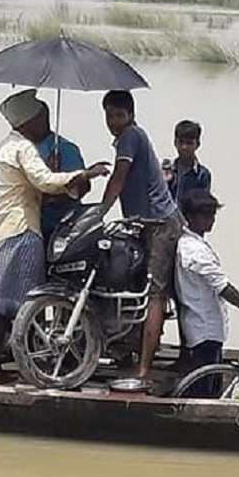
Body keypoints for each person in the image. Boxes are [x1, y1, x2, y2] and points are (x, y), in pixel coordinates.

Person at [0, 89, 108, 384]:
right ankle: (28, 367)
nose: (46, 122)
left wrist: (65, 179)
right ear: (30, 121)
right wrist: (86, 174)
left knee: (0, 301)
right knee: (32, 303)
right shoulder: (25, 148)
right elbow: (44, 181)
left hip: (3, 230)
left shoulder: (6, 147)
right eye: (41, 116)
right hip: (24, 229)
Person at [98, 90, 180, 380]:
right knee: (134, 284)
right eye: (109, 115)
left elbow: (119, 177)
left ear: (130, 115)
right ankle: (127, 349)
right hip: (144, 223)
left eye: (119, 115)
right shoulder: (126, 137)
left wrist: (98, 212)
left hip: (160, 224)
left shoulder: (131, 136)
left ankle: (144, 368)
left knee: (155, 293)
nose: (113, 122)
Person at [175, 190, 239, 396]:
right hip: (203, 329)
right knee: (202, 391)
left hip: (208, 328)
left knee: (210, 386)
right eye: (206, 215)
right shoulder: (193, 250)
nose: (211, 220)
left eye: (212, 215)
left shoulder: (196, 245)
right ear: (191, 217)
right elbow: (223, 287)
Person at [36, 104, 87, 241]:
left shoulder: (64, 148)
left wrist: (55, 189)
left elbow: (82, 186)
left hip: (59, 228)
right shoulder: (26, 149)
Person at [166, 119, 212, 207]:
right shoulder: (168, 170)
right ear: (175, 142)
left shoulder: (202, 175)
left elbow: (202, 205)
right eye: (181, 142)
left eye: (189, 143)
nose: (184, 147)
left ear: (197, 144)